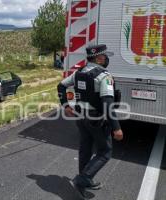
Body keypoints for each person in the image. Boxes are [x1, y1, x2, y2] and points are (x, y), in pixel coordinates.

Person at [57, 44, 124, 199]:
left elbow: (61, 86)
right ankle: (81, 180)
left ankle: (85, 179)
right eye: (105, 56)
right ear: (99, 58)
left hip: (81, 117)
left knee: (85, 148)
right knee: (105, 152)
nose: (106, 59)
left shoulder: (78, 73)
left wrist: (65, 105)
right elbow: (107, 104)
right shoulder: (104, 76)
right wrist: (116, 127)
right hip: (96, 119)